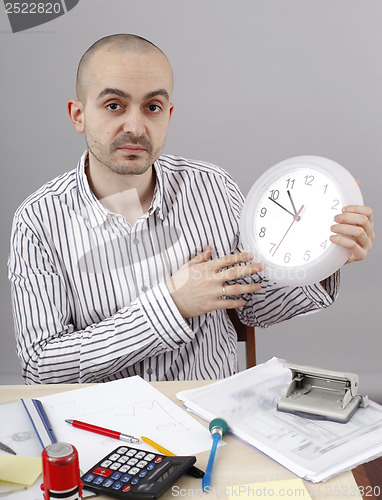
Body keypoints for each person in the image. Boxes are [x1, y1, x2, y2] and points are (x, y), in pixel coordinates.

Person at [8, 34, 374, 384]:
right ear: (78, 115)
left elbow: (253, 307)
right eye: (114, 105)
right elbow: (42, 366)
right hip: (104, 429)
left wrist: (326, 258)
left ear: (168, 114)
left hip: (211, 416)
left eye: (152, 107)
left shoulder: (212, 186)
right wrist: (172, 304)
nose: (135, 127)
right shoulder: (37, 221)